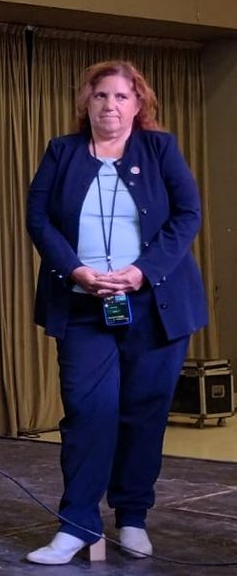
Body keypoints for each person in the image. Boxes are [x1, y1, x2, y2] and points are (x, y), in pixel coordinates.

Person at [24, 60, 207, 565]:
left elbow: (188, 214)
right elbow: (38, 219)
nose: (111, 106)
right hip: (84, 307)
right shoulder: (61, 152)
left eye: (122, 97)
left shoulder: (160, 149)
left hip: (155, 307)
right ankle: (77, 525)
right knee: (88, 412)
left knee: (142, 415)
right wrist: (76, 270)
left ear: (138, 104)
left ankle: (132, 516)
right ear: (87, 102)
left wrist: (142, 271)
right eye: (101, 96)